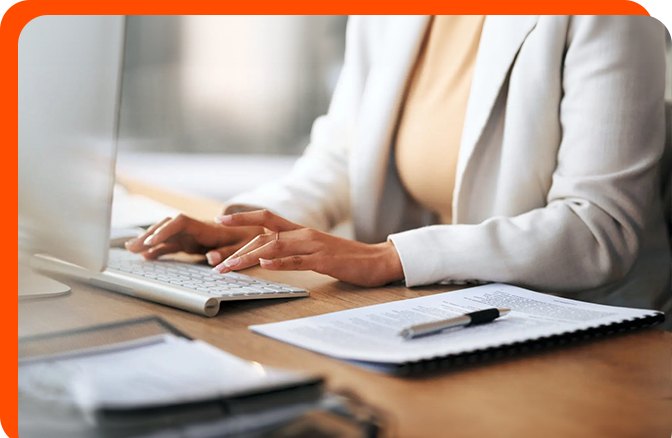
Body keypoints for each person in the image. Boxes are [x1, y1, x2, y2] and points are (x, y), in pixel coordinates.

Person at [126, 15, 671, 323]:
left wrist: (389, 257)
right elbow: (343, 153)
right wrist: (245, 227)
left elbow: (597, 228)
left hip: (580, 324)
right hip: (436, 309)